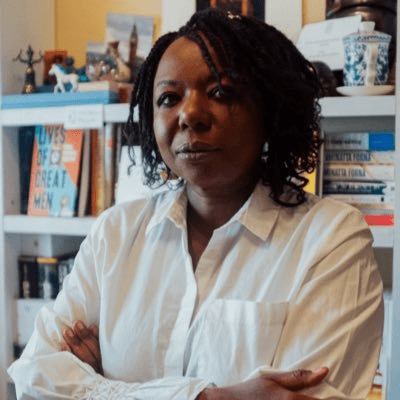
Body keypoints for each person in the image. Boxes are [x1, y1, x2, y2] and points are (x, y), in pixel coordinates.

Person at [8, 9, 383, 400]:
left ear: (269, 110)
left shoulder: (332, 239)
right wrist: (213, 397)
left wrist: (100, 385)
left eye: (221, 92)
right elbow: (34, 377)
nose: (189, 114)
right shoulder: (115, 233)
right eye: (169, 98)